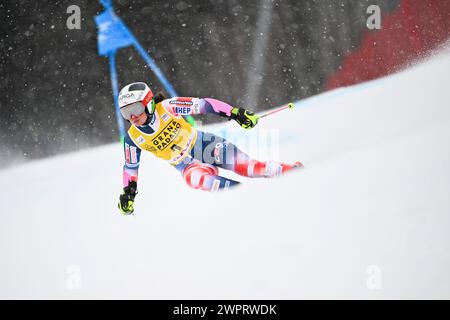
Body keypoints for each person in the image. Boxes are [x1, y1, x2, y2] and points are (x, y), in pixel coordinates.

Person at [118, 82, 302, 215]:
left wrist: (235, 113)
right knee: (198, 180)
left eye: (135, 109)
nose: (132, 116)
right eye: (126, 112)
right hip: (187, 165)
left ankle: (295, 172)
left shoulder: (166, 107)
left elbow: (204, 104)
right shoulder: (133, 138)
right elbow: (130, 168)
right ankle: (251, 202)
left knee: (249, 168)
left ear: (148, 103)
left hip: (206, 146)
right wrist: (128, 194)